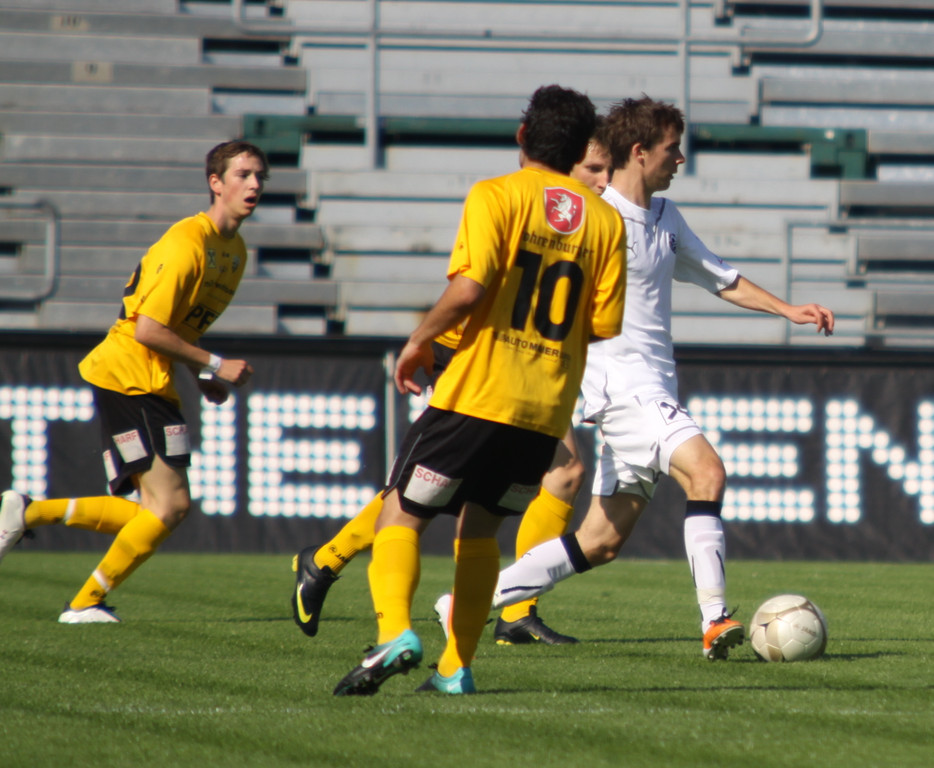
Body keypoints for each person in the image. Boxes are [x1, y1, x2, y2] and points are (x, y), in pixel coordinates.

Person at [483, 96, 835, 660]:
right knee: (707, 473)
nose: (681, 159)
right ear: (640, 151)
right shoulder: (594, 216)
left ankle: (462, 602)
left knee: (600, 541)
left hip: (653, 388)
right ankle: (714, 619)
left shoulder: (667, 219)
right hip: (623, 390)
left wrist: (788, 310)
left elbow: (722, 277)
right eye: (673, 149)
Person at [331, 84, 626, 696]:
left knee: (402, 512)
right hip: (544, 414)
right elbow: (603, 324)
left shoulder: (496, 193)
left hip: (476, 394)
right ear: (580, 150)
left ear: (523, 136)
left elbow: (469, 289)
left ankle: (394, 632)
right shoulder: (606, 221)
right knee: (481, 531)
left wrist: (419, 340)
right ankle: (455, 668)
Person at [0, 140, 266, 623]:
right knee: (170, 506)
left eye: (259, 176)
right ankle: (83, 602)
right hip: (129, 372)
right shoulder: (187, 243)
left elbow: (180, 325)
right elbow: (147, 329)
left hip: (151, 378)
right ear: (215, 183)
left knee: (159, 507)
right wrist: (215, 363)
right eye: (243, 175)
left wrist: (200, 373)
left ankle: (28, 514)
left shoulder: (234, 251)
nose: (254, 184)